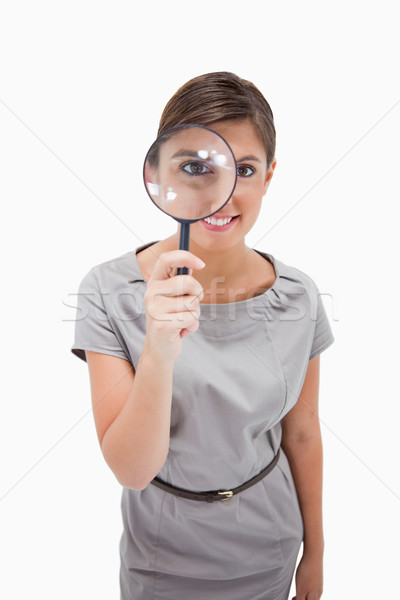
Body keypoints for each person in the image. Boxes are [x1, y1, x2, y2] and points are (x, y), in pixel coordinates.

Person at [71, 72, 335, 600]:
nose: (222, 193)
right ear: (158, 171)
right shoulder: (107, 289)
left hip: (271, 552)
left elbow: (301, 435)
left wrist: (316, 553)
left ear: (269, 177)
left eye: (244, 170)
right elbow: (131, 468)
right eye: (196, 168)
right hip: (161, 563)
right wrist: (160, 350)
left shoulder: (299, 295)